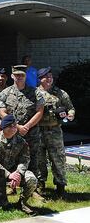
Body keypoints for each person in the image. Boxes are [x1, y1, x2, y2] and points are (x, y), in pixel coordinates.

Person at [0, 64, 45, 190]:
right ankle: (10, 185)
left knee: (33, 158)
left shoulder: (35, 92)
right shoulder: (5, 93)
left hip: (31, 132)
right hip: (12, 132)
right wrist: (17, 127)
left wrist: (27, 126)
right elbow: (2, 112)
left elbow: (40, 111)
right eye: (17, 75)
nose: (19, 77)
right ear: (12, 76)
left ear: (25, 76)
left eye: (22, 75)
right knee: (10, 158)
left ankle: (33, 188)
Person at [0, 115, 38, 214]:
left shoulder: (21, 141)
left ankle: (22, 203)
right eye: (11, 126)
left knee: (31, 178)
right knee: (1, 205)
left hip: (14, 171)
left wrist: (18, 174)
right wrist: (9, 174)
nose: (14, 128)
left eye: (15, 126)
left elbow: (25, 160)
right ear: (4, 127)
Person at [37, 67, 75, 197]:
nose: (49, 79)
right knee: (39, 159)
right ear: (40, 79)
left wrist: (70, 115)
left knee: (58, 159)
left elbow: (70, 108)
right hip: (38, 131)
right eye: (46, 77)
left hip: (54, 131)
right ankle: (40, 184)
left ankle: (60, 186)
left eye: (50, 77)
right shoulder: (34, 93)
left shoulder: (59, 93)